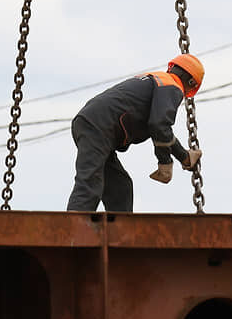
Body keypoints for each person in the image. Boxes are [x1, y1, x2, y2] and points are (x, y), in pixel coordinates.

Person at [66, 53, 205, 212]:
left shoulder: (157, 80)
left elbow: (161, 129)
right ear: (191, 83)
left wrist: (183, 156)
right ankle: (73, 233)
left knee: (120, 188)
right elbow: (159, 125)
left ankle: (119, 234)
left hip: (95, 123)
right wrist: (165, 161)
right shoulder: (172, 86)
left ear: (172, 67)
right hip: (99, 125)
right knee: (90, 182)